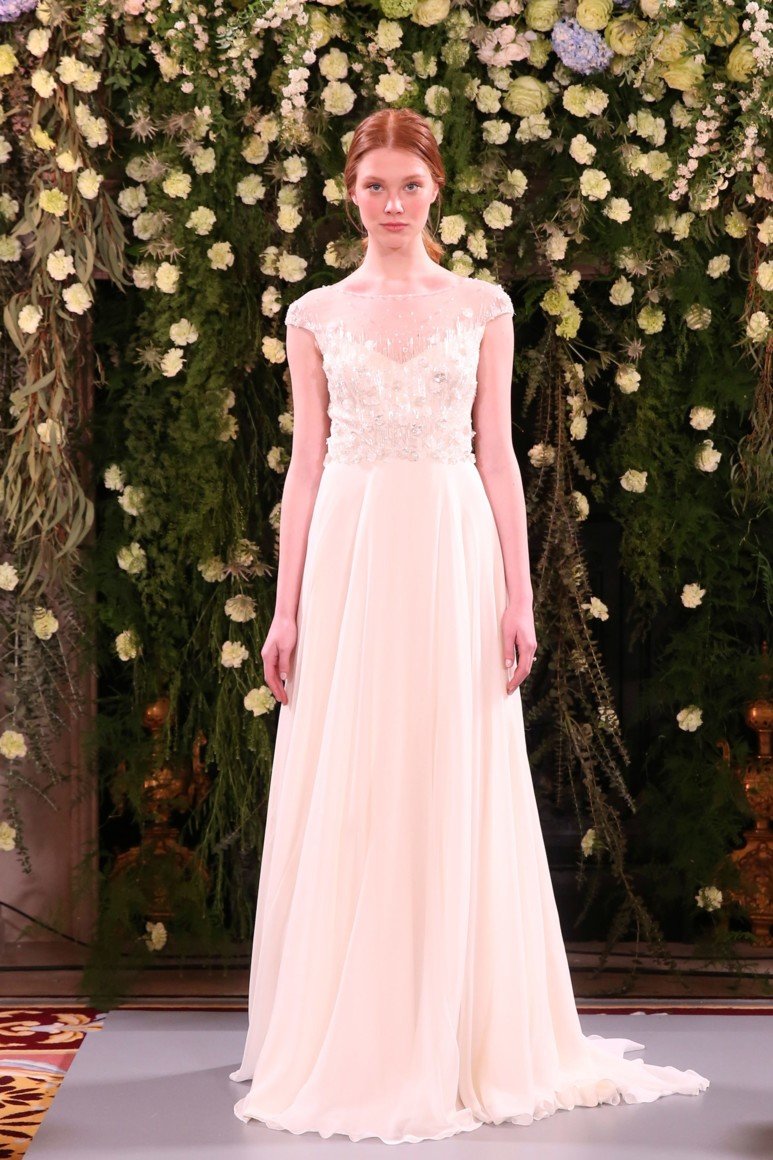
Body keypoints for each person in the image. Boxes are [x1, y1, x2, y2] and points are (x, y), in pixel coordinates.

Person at [229, 108, 709, 1144]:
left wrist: (518, 594)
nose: (392, 203)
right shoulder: (315, 314)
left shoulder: (482, 306)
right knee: (355, 763)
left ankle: (460, 1025)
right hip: (351, 548)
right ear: (348, 195)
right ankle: (357, 1026)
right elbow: (304, 465)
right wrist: (286, 604)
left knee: (449, 760)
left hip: (450, 548)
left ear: (436, 190)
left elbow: (496, 454)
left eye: (408, 185)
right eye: (374, 186)